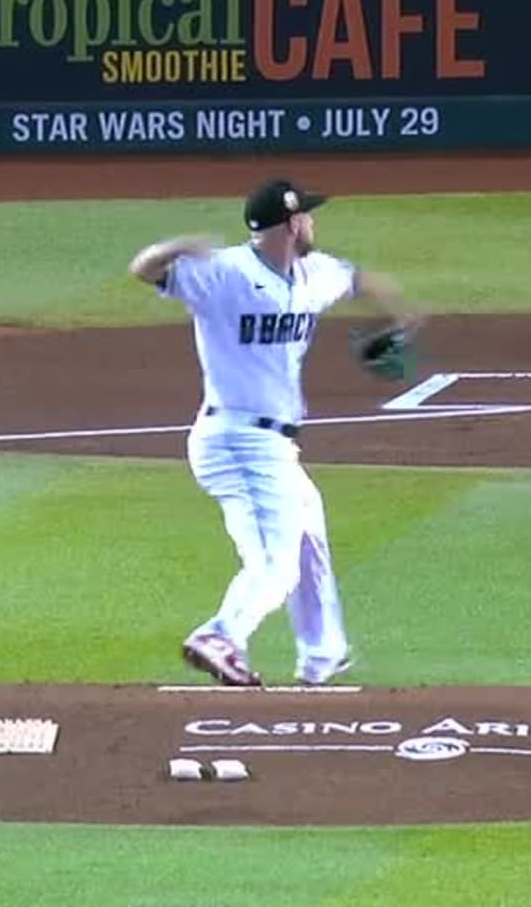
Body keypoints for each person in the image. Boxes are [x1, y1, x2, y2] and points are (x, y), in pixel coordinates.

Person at [129, 178, 421, 688]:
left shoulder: (314, 274)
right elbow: (145, 269)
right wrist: (181, 246)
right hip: (235, 441)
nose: (312, 221)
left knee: (309, 529)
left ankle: (322, 655)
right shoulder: (223, 273)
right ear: (290, 223)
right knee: (274, 563)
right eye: (306, 215)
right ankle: (220, 635)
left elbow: (364, 281)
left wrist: (397, 325)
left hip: (275, 446)